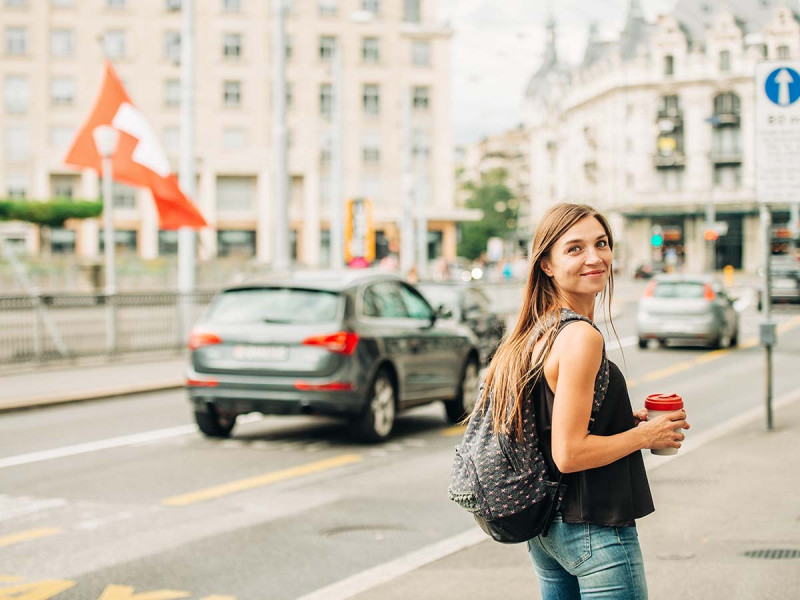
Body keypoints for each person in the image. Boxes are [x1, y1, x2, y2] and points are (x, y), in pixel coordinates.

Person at [475, 203, 690, 600]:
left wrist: (623, 420)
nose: (594, 257)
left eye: (601, 244)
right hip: (593, 527)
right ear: (547, 265)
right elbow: (569, 453)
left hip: (548, 532)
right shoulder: (581, 337)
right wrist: (646, 436)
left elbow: (551, 421)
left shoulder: (536, 330)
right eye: (575, 249)